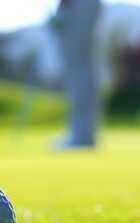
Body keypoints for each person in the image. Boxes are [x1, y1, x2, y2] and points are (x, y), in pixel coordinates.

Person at [51, 0, 101, 149]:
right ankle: (85, 133)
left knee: (76, 67)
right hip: (87, 5)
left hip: (76, 5)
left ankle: (80, 135)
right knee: (83, 65)